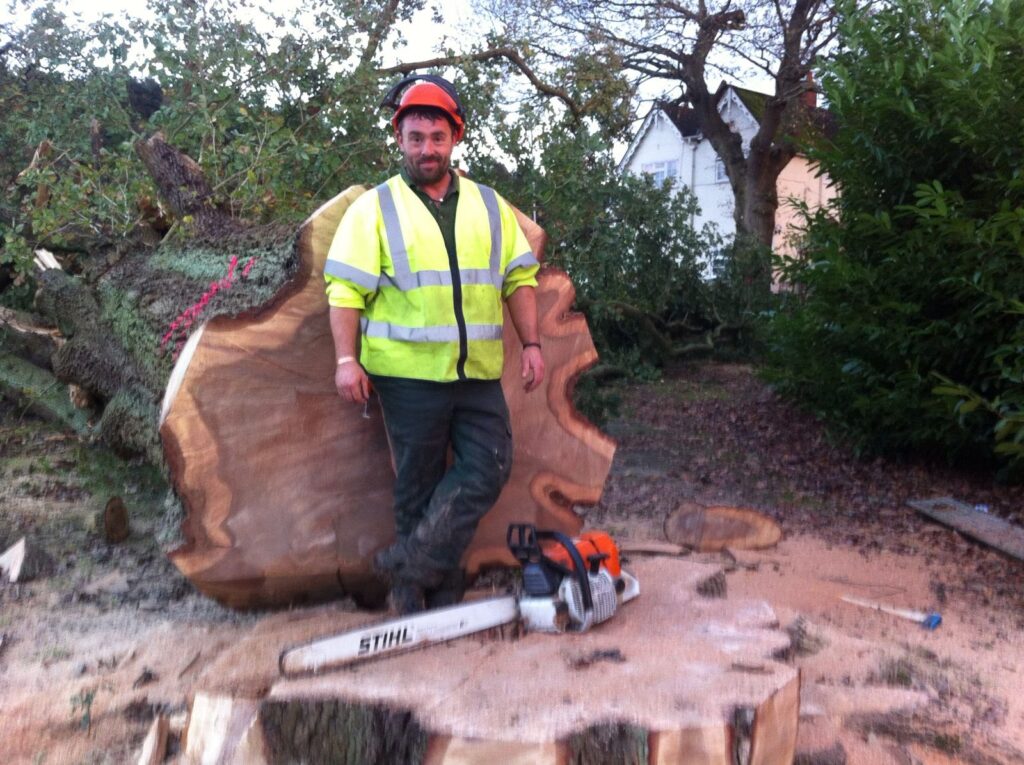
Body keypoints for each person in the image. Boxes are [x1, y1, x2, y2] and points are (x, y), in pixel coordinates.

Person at [324, 74, 545, 614]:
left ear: (456, 138)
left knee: (489, 465)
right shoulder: (374, 208)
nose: (427, 148)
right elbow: (345, 289)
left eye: (437, 137)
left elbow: (519, 279)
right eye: (416, 136)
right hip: (406, 374)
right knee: (418, 483)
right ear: (399, 138)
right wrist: (346, 359)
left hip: (477, 372)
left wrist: (533, 344)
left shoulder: (491, 206)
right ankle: (430, 591)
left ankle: (409, 564)